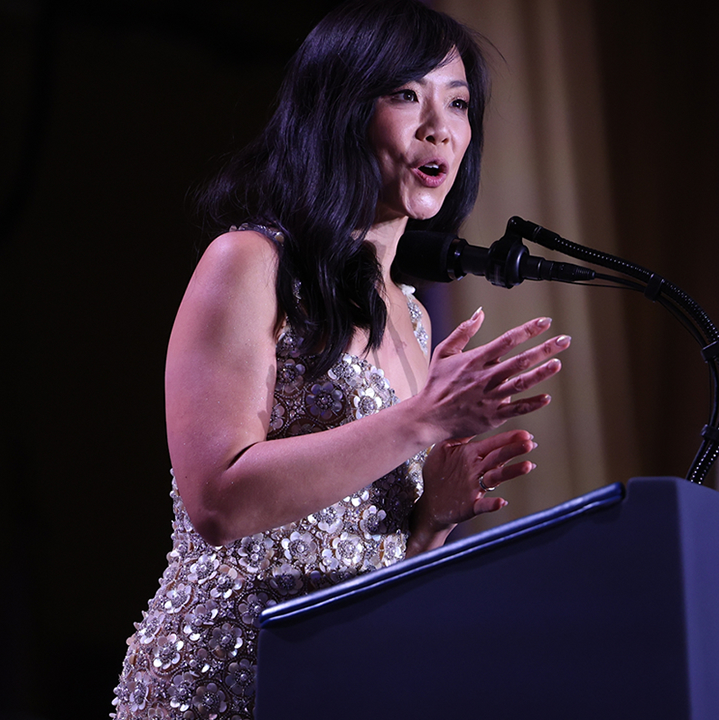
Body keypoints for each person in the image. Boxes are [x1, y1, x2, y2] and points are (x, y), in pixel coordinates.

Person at [110, 2, 568, 716]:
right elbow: (218, 501)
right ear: (342, 109)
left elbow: (374, 560)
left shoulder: (413, 316)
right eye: (406, 95)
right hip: (229, 680)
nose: (439, 126)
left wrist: (431, 522)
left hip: (342, 684)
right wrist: (422, 421)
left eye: (458, 103)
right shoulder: (250, 262)